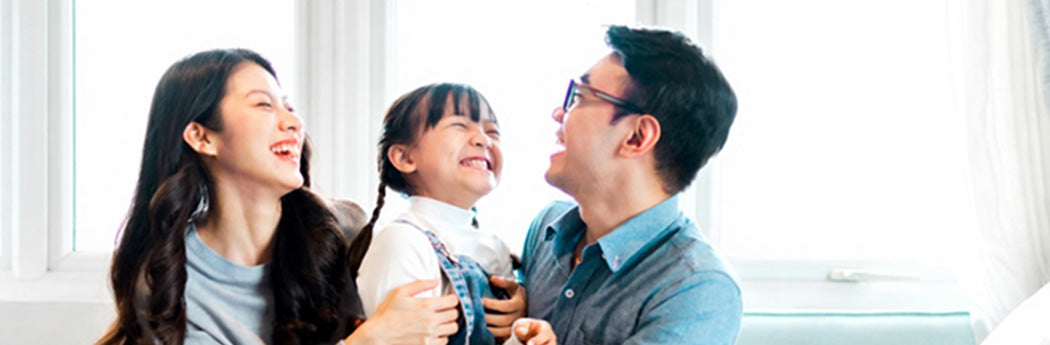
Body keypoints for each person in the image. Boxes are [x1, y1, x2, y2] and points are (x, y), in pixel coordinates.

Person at [97, 48, 460, 345]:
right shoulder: (169, 279)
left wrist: (510, 309)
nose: (293, 122)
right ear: (202, 137)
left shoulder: (343, 229)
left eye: (288, 106)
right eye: (263, 105)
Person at [519, 25, 743, 344]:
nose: (559, 112)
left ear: (637, 137)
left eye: (580, 97)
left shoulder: (698, 289)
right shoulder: (546, 229)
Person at [348, 83, 555, 345]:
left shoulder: (495, 249)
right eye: (459, 126)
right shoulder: (402, 241)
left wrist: (525, 337)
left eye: (492, 131)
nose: (483, 139)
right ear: (404, 157)